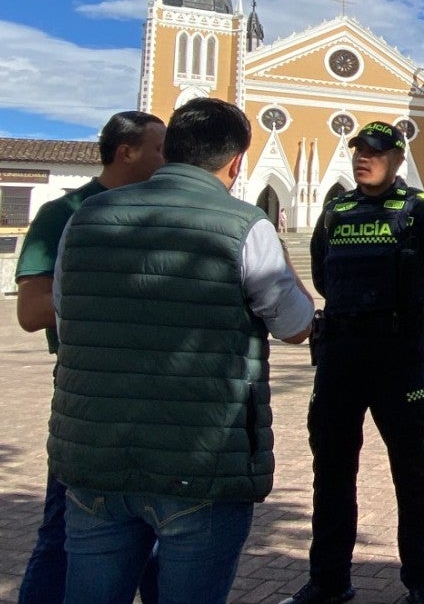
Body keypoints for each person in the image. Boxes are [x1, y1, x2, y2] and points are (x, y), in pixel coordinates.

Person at [49, 97, 314, 602]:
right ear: (236, 163)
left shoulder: (85, 218)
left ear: (169, 149)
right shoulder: (245, 225)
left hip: (95, 457)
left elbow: (68, 316)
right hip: (201, 463)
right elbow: (296, 326)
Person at [287, 121, 424, 604]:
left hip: (400, 358)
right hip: (342, 355)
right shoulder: (335, 210)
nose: (363, 158)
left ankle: (422, 583)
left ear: (397, 160)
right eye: (358, 151)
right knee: (332, 470)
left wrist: (420, 311)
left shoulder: (422, 209)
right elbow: (322, 272)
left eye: (375, 151)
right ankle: (328, 581)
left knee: (412, 471)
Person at [14, 110, 166, 604]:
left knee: (160, 535)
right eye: (159, 149)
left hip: (160, 395)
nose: (169, 160)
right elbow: (32, 312)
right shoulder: (64, 213)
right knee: (63, 533)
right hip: (91, 395)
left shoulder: (159, 212)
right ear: (127, 153)